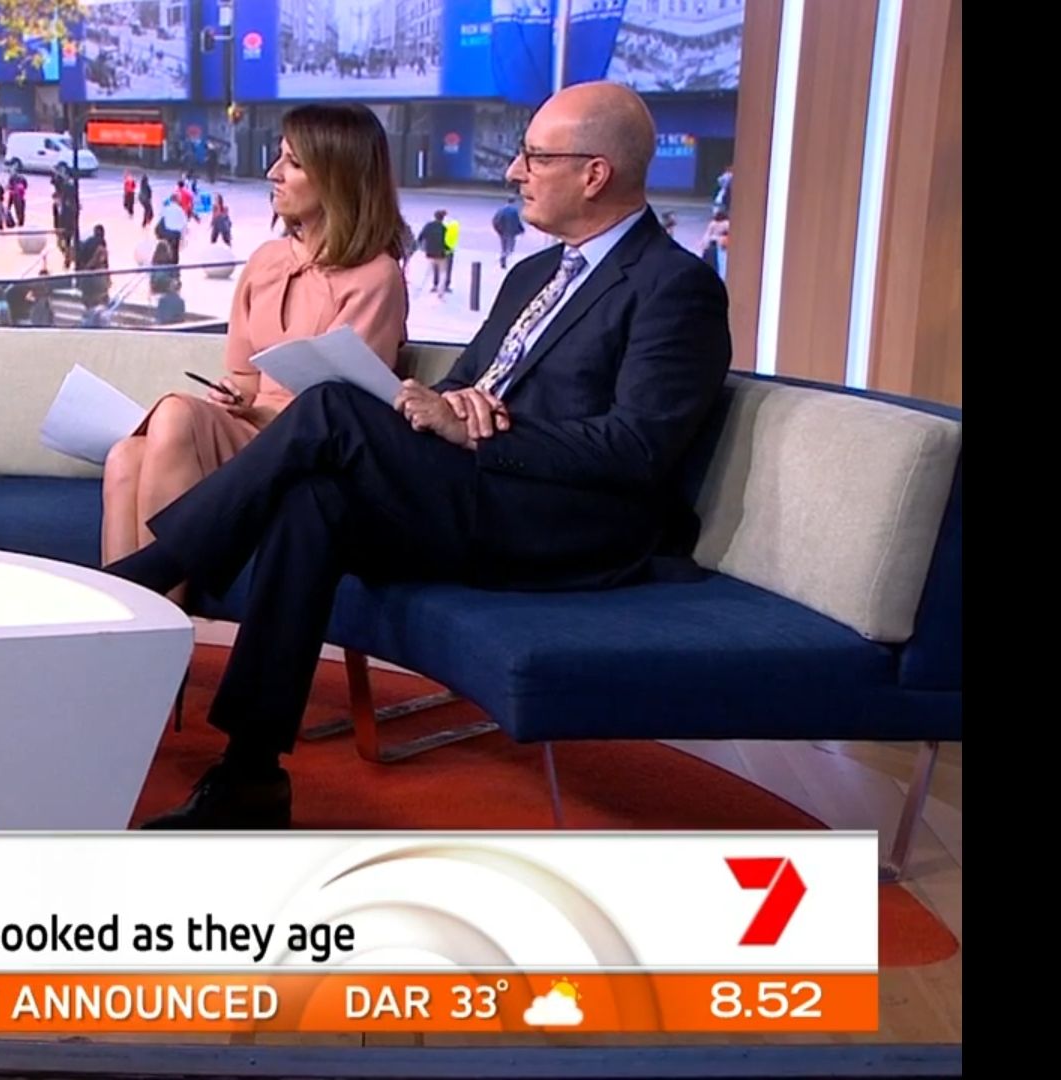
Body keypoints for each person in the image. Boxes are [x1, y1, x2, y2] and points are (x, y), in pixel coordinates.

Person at [109, 82, 732, 829]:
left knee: (331, 405)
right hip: (479, 491)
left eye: (535, 157)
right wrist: (441, 403)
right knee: (314, 502)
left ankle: (148, 577)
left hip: (569, 525)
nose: (515, 171)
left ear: (594, 174)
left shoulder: (676, 287)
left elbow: (638, 449)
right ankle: (250, 775)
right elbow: (467, 382)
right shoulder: (533, 274)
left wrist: (479, 431)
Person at [101, 102, 409, 608]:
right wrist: (236, 399)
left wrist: (254, 413)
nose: (273, 172)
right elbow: (244, 379)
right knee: (125, 456)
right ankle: (123, 626)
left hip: (305, 452)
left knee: (175, 413)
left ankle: (159, 615)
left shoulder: (376, 276)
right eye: (278, 157)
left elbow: (345, 416)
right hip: (250, 432)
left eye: (293, 163)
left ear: (338, 176)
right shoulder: (266, 260)